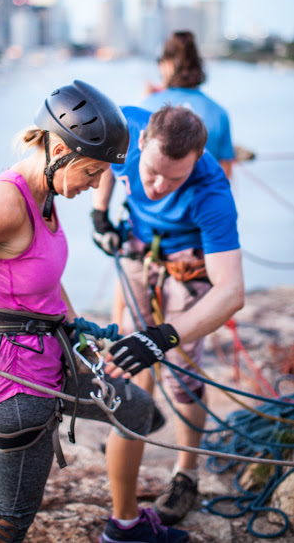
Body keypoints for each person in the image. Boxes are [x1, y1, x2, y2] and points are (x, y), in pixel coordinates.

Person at [0, 81, 190, 543]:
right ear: (58, 148)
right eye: (92, 172)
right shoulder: (5, 207)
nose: (97, 185)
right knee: (12, 519)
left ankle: (126, 525)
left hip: (55, 355)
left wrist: (75, 327)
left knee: (138, 413)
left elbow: (45, 276)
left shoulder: (46, 192)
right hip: (17, 385)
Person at [92, 104, 244, 526]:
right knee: (126, 345)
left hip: (185, 262)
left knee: (182, 376)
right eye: (152, 172)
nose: (158, 186)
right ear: (140, 143)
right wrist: (100, 210)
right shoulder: (124, 126)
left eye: (174, 178)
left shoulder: (211, 193)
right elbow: (103, 159)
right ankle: (140, 414)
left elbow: (231, 292)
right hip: (137, 247)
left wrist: (164, 336)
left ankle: (186, 473)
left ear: (195, 161)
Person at [141, 30, 235, 179]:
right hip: (201, 199)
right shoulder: (219, 112)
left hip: (155, 198)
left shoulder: (146, 105)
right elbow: (225, 171)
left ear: (167, 65)